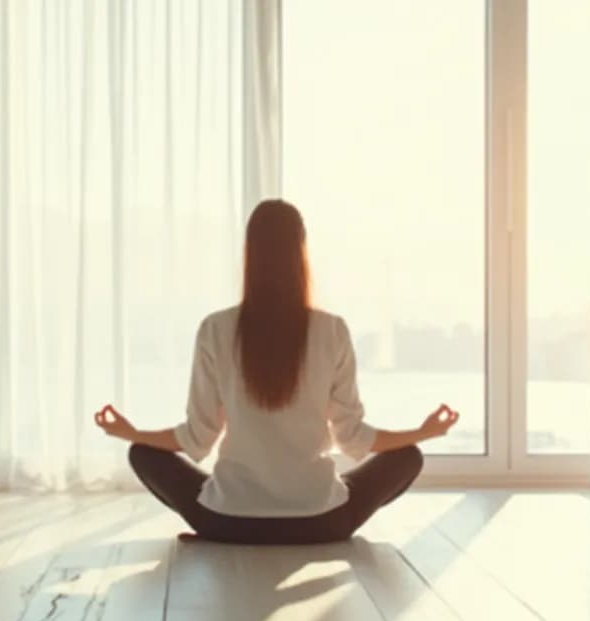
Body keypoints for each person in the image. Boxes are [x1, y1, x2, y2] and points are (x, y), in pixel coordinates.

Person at [91, 199, 460, 545]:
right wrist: (423, 432)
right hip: (322, 524)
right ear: (301, 252)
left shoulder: (215, 328)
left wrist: (131, 433)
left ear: (249, 254)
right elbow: (352, 437)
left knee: (142, 453)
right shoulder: (332, 330)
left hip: (226, 523)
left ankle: (230, 513)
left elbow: (197, 437)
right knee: (409, 457)